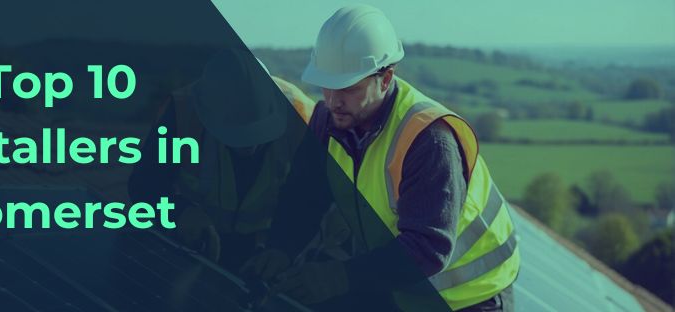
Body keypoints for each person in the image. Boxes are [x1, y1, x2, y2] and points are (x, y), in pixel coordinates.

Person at [242, 5, 520, 311]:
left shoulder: (428, 140)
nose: (334, 101)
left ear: (385, 78)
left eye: (348, 88)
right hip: (404, 287)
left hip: (472, 296)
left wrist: (339, 277)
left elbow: (428, 248)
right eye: (327, 85)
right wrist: (281, 247)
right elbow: (305, 194)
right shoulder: (328, 120)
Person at [128, 49, 310, 269]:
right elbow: (144, 184)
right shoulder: (182, 113)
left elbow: (313, 197)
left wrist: (284, 248)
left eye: (257, 134)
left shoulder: (305, 119)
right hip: (200, 246)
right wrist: (180, 212)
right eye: (237, 136)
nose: (249, 147)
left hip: (271, 253)